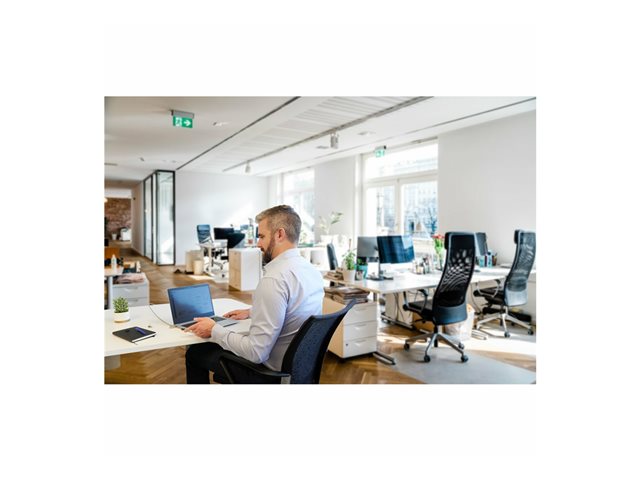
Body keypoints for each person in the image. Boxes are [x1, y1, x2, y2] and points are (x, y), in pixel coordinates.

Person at [184, 205, 324, 383]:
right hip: (299, 369)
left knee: (195, 352)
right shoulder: (311, 271)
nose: (258, 244)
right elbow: (295, 307)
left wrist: (214, 329)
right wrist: (252, 311)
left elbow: (256, 353)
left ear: (279, 234)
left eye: (262, 236)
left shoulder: (274, 280)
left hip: (269, 374)